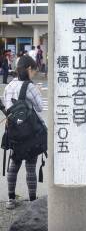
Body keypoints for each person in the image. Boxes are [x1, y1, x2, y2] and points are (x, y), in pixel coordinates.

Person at [3, 55, 43, 209]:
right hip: (30, 132)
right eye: (34, 72)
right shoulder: (30, 86)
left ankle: (10, 199)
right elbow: (39, 107)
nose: (34, 75)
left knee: (14, 164)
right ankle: (32, 200)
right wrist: (37, 90)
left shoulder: (9, 86)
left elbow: (7, 108)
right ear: (28, 69)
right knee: (31, 166)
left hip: (13, 131)